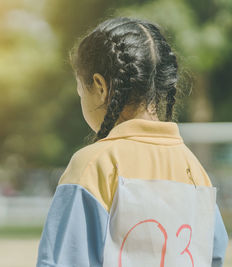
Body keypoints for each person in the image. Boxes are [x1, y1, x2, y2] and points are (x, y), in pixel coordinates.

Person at [36, 16, 229, 267]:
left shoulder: (94, 165)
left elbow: (63, 260)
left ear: (100, 86)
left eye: (80, 90)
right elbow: (213, 256)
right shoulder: (194, 170)